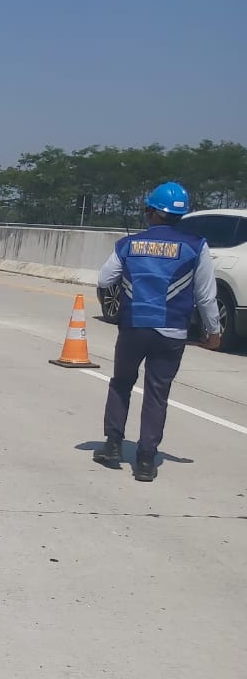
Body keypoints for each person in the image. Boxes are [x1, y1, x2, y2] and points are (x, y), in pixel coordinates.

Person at [93, 182, 221, 482]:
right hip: (173, 332)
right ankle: (147, 460)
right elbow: (205, 296)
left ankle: (112, 446)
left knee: (122, 383)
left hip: (134, 327)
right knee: (157, 393)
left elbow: (104, 279)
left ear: (151, 212)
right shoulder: (196, 245)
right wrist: (213, 331)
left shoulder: (129, 244)